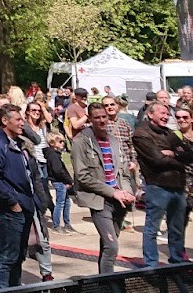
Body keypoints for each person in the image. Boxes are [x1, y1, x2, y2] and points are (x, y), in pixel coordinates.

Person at [70, 102, 136, 273]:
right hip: (99, 200)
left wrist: (127, 192)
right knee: (111, 246)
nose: (101, 120)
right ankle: (109, 289)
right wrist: (113, 192)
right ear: (90, 119)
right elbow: (83, 176)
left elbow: (124, 172)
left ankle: (105, 284)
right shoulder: (80, 142)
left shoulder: (114, 141)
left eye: (104, 117)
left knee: (107, 246)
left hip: (119, 201)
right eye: (97, 117)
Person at [0, 103, 39, 291]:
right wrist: (12, 202)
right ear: (5, 121)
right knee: (7, 256)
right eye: (18, 120)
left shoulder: (19, 144)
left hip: (26, 206)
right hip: (11, 210)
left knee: (19, 255)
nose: (23, 123)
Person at [132, 101, 192, 266]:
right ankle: (151, 265)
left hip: (178, 186)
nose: (166, 117)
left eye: (167, 114)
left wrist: (172, 154)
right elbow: (156, 160)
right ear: (150, 114)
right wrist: (178, 159)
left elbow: (190, 155)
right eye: (162, 113)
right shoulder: (141, 134)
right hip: (157, 185)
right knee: (152, 227)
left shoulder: (169, 133)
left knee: (176, 228)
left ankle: (177, 261)